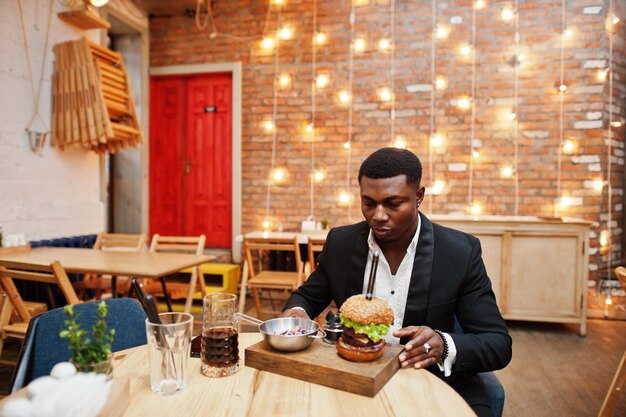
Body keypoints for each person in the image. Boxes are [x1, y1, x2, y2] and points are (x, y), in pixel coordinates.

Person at [281, 147, 512, 417]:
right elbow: (306, 298)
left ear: (418, 196)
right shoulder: (341, 243)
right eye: (369, 203)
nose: (378, 215)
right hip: (352, 376)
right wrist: (296, 314)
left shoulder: (459, 252)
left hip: (430, 382)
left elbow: (497, 343)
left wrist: (442, 344)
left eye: (393, 204)